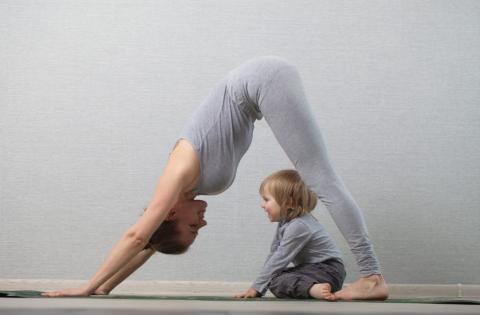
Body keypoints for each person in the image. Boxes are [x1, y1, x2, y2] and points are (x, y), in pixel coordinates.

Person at [42, 56, 388, 300]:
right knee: (319, 178)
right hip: (259, 86)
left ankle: (372, 278)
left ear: (171, 214)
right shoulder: (181, 195)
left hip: (260, 80)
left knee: (320, 179)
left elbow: (137, 235)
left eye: (192, 229)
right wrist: (106, 287)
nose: (202, 227)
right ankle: (372, 277)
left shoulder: (176, 175)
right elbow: (149, 244)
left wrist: (86, 286)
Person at [235, 170, 346, 300]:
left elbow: (280, 258)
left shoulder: (299, 226)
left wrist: (256, 288)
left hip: (329, 270)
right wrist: (260, 286)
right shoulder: (285, 222)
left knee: (274, 279)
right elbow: (274, 253)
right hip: (314, 270)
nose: (262, 205)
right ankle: (313, 287)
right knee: (274, 279)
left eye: (266, 200)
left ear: (289, 203)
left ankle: (313, 289)